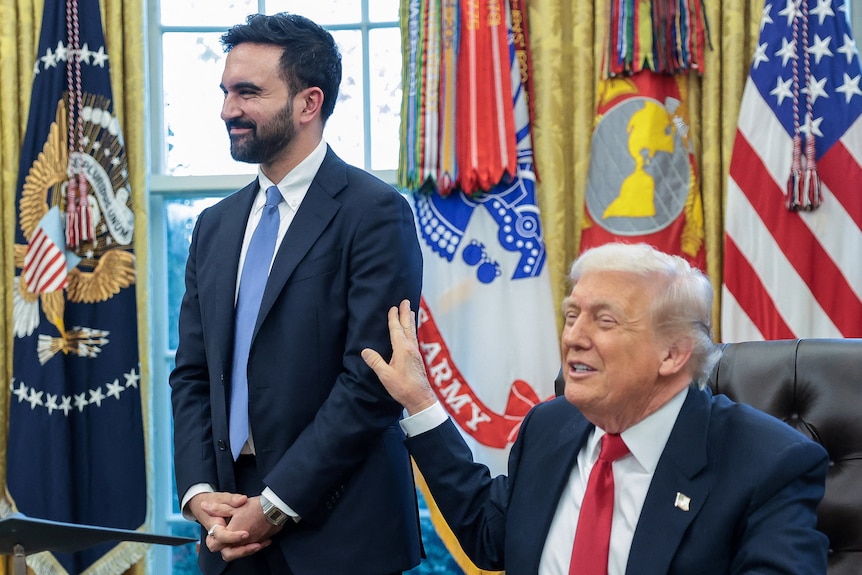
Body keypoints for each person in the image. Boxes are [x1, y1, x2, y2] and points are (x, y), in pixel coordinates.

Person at [362, 242, 829, 575]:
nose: (574, 337)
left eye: (604, 320)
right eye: (571, 315)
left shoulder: (768, 464)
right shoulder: (551, 425)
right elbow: (489, 535)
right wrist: (420, 401)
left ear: (672, 353)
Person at [170, 12, 423, 575]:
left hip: (341, 535)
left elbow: (372, 382)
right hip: (228, 530)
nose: (227, 109)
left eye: (247, 92)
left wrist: (277, 503)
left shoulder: (375, 214)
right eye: (225, 91)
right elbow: (192, 374)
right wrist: (197, 491)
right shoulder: (214, 225)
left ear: (309, 103)